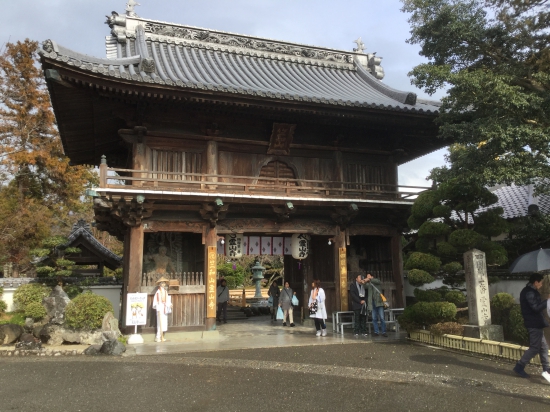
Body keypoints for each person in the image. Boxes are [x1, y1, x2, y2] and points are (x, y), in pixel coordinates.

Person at [513, 273, 550, 382]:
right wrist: (546, 301)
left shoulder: (530, 291)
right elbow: (535, 308)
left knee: (543, 347)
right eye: (541, 282)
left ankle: (546, 369)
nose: (542, 285)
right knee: (535, 347)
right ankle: (519, 366)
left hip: (536, 323)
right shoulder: (529, 292)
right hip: (533, 324)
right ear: (536, 282)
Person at [365, 273, 387, 337]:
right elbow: (364, 286)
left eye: (369, 276)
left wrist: (370, 279)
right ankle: (376, 331)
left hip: (379, 302)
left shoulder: (376, 281)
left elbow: (378, 281)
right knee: (374, 318)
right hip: (372, 303)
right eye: (367, 276)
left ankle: (384, 332)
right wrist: (363, 281)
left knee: (382, 318)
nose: (368, 277)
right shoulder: (369, 284)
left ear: (372, 276)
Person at [152, 277, 172, 342]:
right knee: (159, 323)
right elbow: (156, 301)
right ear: (160, 284)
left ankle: (162, 336)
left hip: (164, 308)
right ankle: (158, 337)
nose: (163, 284)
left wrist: (170, 304)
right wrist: (157, 307)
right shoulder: (158, 292)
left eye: (164, 283)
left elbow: (167, 300)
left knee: (164, 322)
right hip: (160, 308)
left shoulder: (165, 291)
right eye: (162, 283)